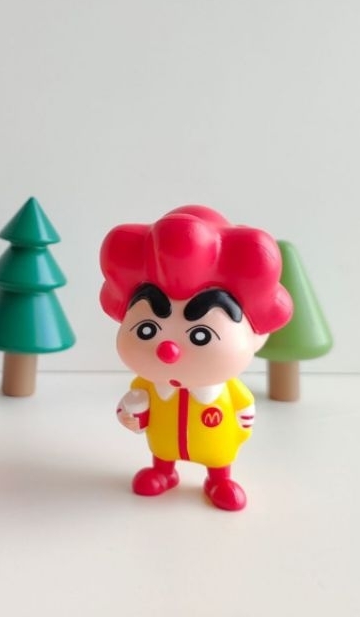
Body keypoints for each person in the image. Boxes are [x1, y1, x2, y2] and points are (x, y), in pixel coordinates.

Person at [99, 205, 292, 511]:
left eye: (200, 334)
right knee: (163, 451)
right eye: (148, 329)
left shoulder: (227, 388)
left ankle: (218, 479)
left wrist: (243, 425)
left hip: (216, 441)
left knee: (218, 457)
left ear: (255, 335)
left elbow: (243, 410)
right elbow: (135, 407)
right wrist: (131, 414)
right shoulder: (149, 385)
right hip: (165, 441)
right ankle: (164, 471)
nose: (168, 349)